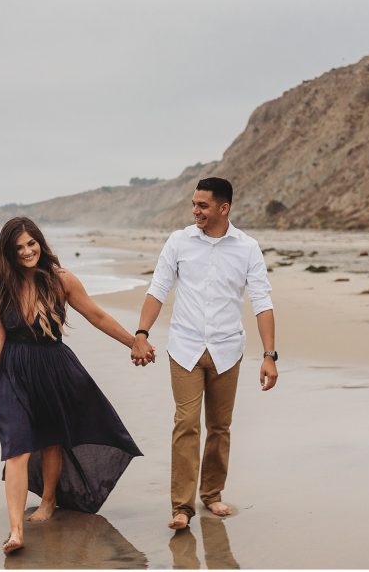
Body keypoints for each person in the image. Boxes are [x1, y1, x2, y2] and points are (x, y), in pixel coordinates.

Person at [0, 217, 142, 555]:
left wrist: (132, 342)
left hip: (52, 365)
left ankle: (50, 500)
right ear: (8, 252)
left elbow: (96, 315)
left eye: (31, 243)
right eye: (19, 247)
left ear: (40, 242)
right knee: (16, 447)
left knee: (52, 441)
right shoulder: (1, 284)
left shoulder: (61, 280)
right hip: (12, 369)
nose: (27, 251)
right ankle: (15, 531)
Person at [130, 177, 278, 530]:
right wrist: (141, 333)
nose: (195, 210)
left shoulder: (247, 248)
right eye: (194, 204)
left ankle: (211, 494)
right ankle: (181, 506)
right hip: (185, 347)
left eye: (203, 205)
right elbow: (158, 288)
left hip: (228, 348)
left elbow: (262, 301)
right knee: (185, 423)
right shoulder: (179, 242)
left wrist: (270, 355)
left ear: (223, 208)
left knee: (219, 427)